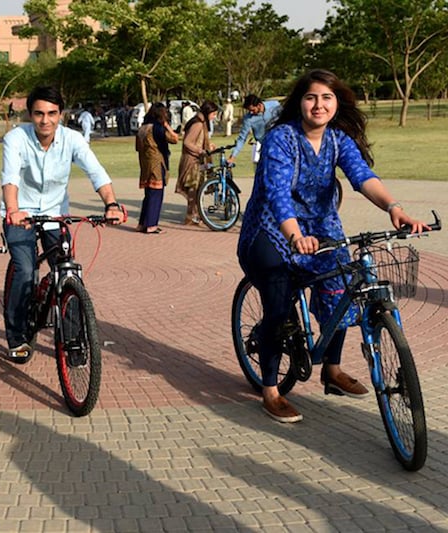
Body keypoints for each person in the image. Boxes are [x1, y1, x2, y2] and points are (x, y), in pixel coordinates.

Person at [237, 69, 429, 424]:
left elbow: (362, 177)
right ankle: (271, 391)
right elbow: (278, 196)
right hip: (272, 229)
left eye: (327, 97)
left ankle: (332, 369)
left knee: (342, 288)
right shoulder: (281, 138)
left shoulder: (338, 140)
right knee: (278, 308)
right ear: (300, 103)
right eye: (311, 97)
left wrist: (395, 208)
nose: (318, 105)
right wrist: (294, 235)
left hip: (322, 228)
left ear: (337, 103)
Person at [1, 86, 126, 360]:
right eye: (38, 114)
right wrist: (13, 210)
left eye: (52, 113)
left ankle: (73, 341)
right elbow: (10, 177)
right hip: (21, 214)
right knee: (24, 269)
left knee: (67, 272)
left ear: (61, 114)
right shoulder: (16, 138)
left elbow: (96, 172)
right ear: (30, 114)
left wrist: (111, 204)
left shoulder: (73, 139)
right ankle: (17, 335)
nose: (45, 120)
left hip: (55, 215)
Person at [135, 103, 179, 234]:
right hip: (157, 164)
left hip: (145, 164)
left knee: (148, 195)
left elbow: (137, 148)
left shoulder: (142, 129)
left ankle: (142, 223)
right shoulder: (157, 128)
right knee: (156, 195)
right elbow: (175, 139)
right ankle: (151, 225)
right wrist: (167, 126)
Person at [175, 100, 218, 225]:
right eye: (214, 114)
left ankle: (194, 215)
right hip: (192, 160)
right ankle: (191, 216)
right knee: (193, 188)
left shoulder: (201, 122)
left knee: (197, 188)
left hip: (197, 159)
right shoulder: (198, 124)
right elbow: (188, 142)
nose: (214, 117)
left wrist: (208, 146)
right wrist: (200, 151)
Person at [228, 94, 281, 165]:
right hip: (263, 148)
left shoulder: (275, 105)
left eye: (252, 110)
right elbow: (242, 138)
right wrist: (233, 156)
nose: (251, 112)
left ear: (259, 105)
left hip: (279, 144)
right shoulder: (248, 119)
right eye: (249, 110)